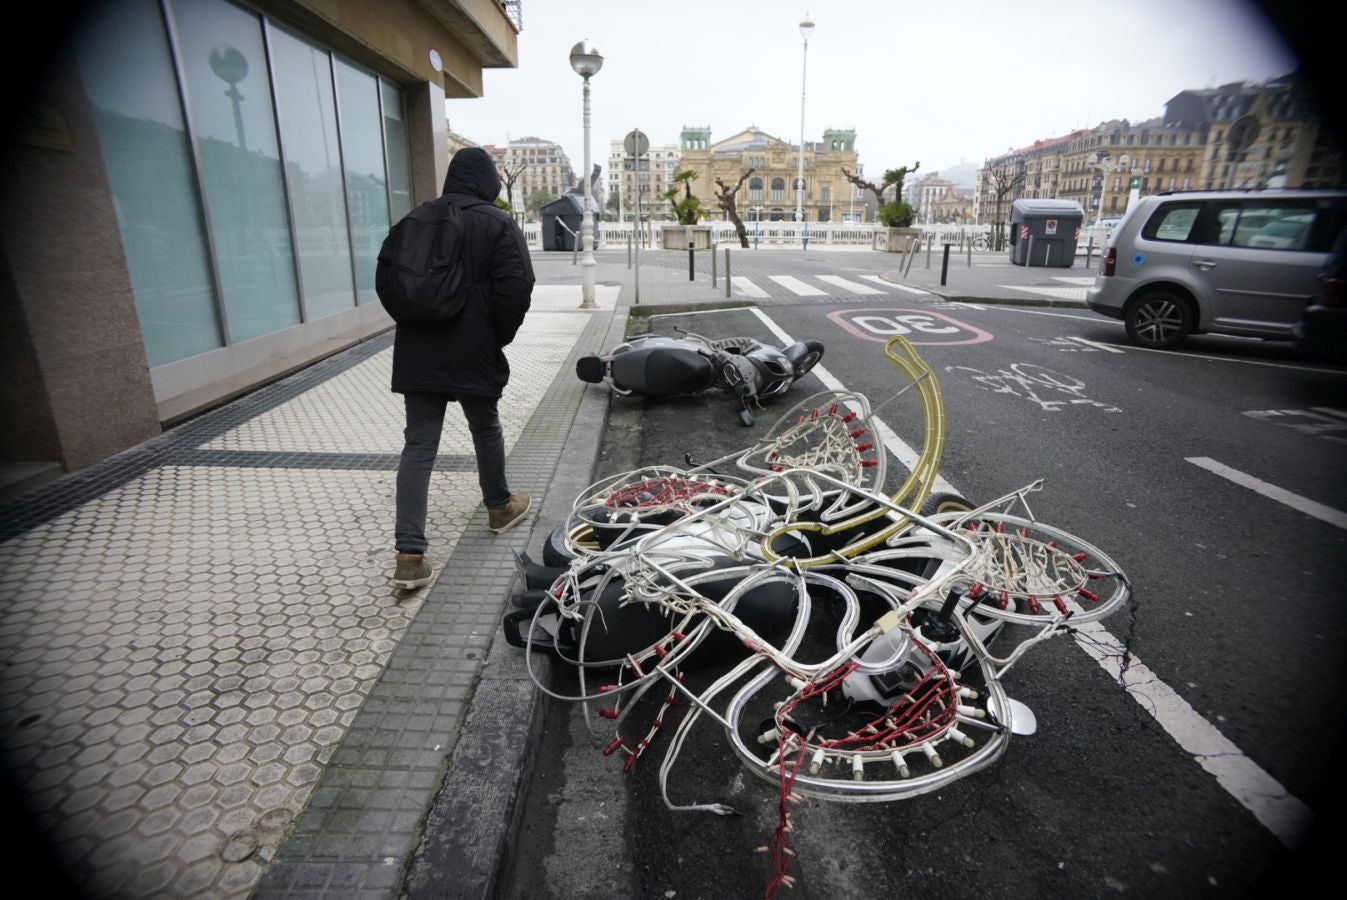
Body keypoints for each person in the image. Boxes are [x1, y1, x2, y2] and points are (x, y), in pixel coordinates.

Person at [390, 147, 534, 590]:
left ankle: (410, 555)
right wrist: (496, 336)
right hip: (473, 346)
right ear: (488, 180)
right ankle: (499, 506)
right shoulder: (496, 223)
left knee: (418, 446)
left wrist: (415, 320)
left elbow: (388, 281)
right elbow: (518, 288)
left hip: (419, 347)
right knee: (485, 427)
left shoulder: (414, 220)